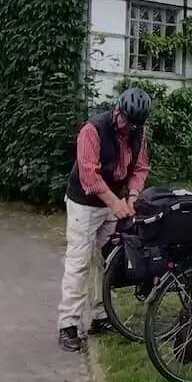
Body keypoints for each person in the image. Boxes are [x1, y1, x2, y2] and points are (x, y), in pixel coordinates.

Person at [57, 87, 152, 352]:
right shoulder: (93, 130)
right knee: (79, 262)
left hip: (115, 200)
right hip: (84, 204)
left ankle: (101, 316)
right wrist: (114, 203)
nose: (127, 128)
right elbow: (89, 176)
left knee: (106, 261)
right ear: (117, 110)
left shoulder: (138, 133)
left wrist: (132, 196)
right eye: (125, 121)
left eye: (133, 125)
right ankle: (68, 324)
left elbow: (140, 168)